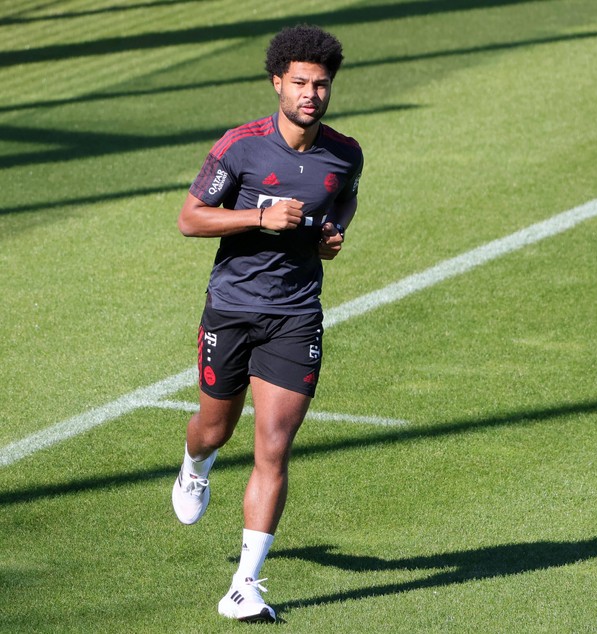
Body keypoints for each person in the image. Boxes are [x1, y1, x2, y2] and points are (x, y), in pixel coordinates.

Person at [171, 24, 363, 623]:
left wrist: (333, 237)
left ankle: (245, 585)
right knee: (213, 427)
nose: (311, 93)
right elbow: (190, 219)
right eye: (300, 82)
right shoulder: (240, 147)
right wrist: (259, 215)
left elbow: (344, 199)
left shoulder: (345, 152)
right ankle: (195, 466)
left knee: (274, 447)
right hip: (231, 308)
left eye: (321, 84)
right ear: (277, 82)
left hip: (296, 314)